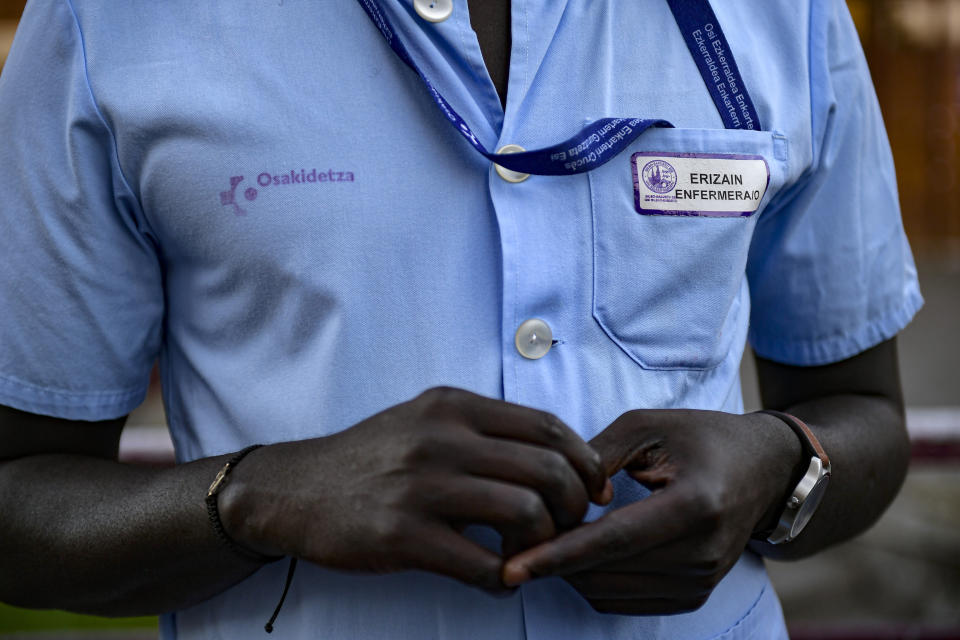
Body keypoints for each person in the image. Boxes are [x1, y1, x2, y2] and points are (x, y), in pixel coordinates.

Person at [0, 0, 922, 638]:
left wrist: (779, 472)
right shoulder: (109, 22)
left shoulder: (787, 15)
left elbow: (862, 412)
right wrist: (257, 498)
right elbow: (19, 500)